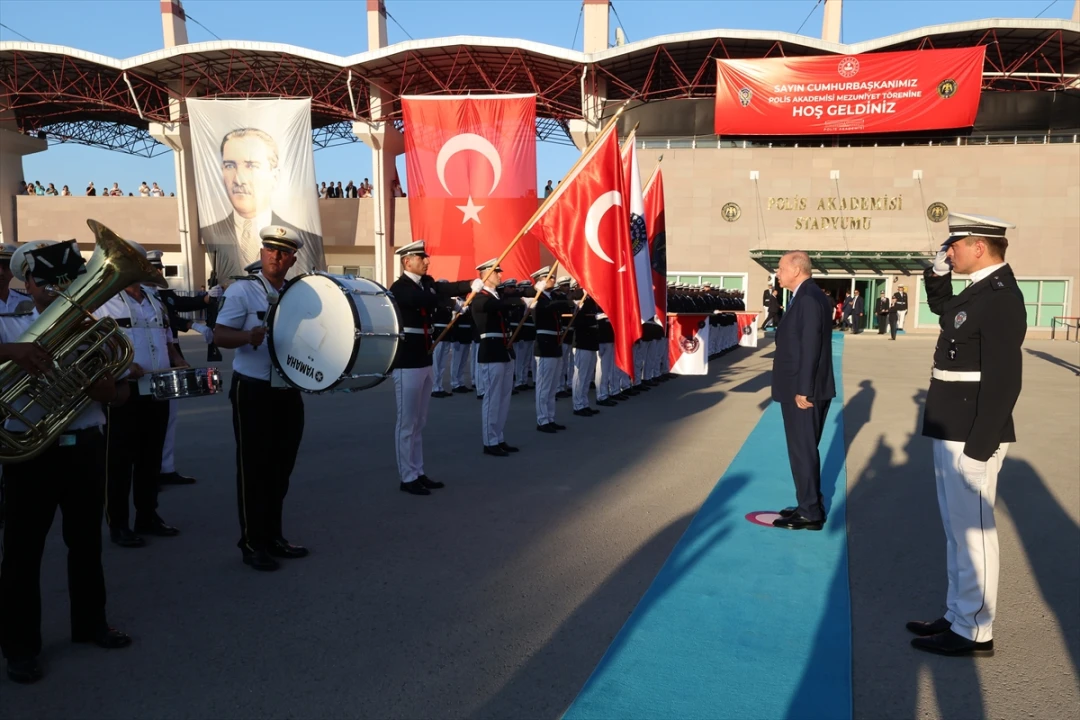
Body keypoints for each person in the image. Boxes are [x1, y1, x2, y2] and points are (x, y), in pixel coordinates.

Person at [0, 240, 133, 685]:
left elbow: (117, 392)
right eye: (47, 282)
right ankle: (20, 647)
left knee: (86, 543)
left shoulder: (92, 328)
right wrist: (12, 352)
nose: (57, 290)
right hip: (31, 453)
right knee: (23, 553)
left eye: (66, 281)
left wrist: (104, 389)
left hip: (86, 446)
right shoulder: (9, 324)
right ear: (28, 283)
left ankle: (91, 624)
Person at [908, 212, 1026, 658]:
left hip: (972, 432)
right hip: (951, 423)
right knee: (956, 529)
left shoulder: (1001, 297)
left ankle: (975, 628)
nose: (948, 251)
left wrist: (980, 448)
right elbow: (946, 314)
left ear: (979, 247)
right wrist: (937, 274)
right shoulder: (979, 290)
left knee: (974, 532)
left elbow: (1004, 382)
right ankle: (958, 612)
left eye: (953, 246)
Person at [213, 225, 309, 571]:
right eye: (270, 249)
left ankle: (273, 536)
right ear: (261, 253)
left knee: (281, 468)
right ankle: (252, 543)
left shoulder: (298, 294)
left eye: (283, 252)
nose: (276, 256)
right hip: (253, 389)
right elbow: (220, 335)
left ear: (292, 259)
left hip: (287, 388)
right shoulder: (243, 290)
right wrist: (247, 337)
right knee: (254, 469)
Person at [98, 245, 187, 548]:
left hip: (157, 387)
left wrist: (177, 360)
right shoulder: (104, 302)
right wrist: (121, 368)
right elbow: (94, 348)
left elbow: (166, 338)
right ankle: (118, 523)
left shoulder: (154, 300)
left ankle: (147, 515)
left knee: (151, 457)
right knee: (119, 460)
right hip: (124, 389)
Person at [388, 241, 471, 495]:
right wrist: (449, 303)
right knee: (407, 422)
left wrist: (472, 284)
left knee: (420, 421)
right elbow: (424, 299)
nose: (426, 261)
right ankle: (407, 477)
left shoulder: (428, 283)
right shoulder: (400, 287)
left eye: (426, 257)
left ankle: (418, 471)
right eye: (421, 257)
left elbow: (446, 287)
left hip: (425, 358)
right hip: (407, 361)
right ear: (407, 261)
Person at [198, 128, 323, 280]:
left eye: (251, 166)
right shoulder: (210, 232)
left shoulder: (307, 238)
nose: (238, 180)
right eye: (230, 166)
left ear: (275, 176)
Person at [770, 251, 835, 531]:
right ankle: (808, 502)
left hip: (804, 390)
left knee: (802, 450)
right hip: (805, 386)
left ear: (797, 270)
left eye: (781, 267)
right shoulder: (808, 295)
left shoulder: (808, 298)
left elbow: (810, 347)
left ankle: (810, 513)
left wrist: (803, 390)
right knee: (804, 449)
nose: (778, 272)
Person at [144, 250, 219, 485]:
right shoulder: (139, 298)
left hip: (170, 358)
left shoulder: (163, 294)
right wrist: (193, 325)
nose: (159, 271)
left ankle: (166, 468)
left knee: (169, 417)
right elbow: (170, 319)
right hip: (148, 362)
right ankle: (149, 471)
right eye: (154, 268)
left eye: (160, 267)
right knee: (148, 423)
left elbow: (182, 303)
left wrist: (206, 298)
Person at [471, 259, 530, 455]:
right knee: (492, 398)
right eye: (496, 272)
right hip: (491, 351)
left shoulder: (497, 296)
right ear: (485, 274)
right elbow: (494, 305)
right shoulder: (480, 297)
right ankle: (489, 441)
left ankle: (498, 436)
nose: (500, 275)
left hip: (505, 350)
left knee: (504, 398)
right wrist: (522, 300)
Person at [531, 268, 572, 433]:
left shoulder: (552, 296)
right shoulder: (537, 298)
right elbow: (545, 308)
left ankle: (550, 417)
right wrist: (537, 291)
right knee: (544, 385)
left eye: (553, 278)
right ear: (540, 281)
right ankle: (542, 420)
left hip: (555, 343)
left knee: (553, 385)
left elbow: (565, 303)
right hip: (544, 344)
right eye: (549, 278)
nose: (553, 280)